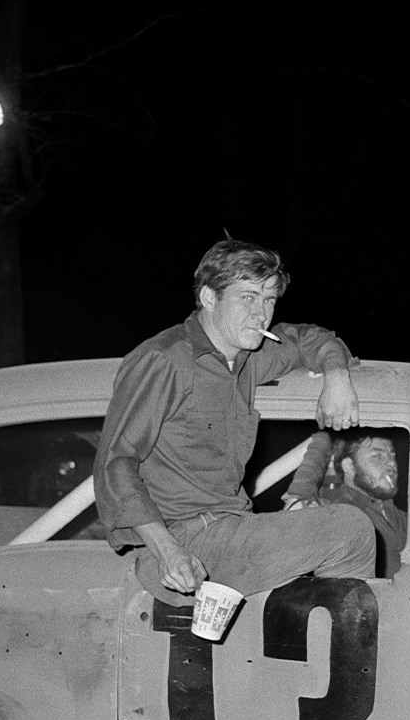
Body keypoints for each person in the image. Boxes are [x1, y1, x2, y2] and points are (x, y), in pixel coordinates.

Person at [93, 239, 376, 599]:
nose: (262, 314)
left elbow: (309, 337)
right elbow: (114, 464)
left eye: (269, 299)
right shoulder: (165, 360)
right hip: (182, 542)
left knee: (330, 534)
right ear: (210, 298)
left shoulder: (248, 357)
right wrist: (167, 550)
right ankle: (336, 651)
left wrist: (336, 377)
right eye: (248, 297)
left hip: (230, 531)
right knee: (351, 528)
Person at [283, 430, 408, 578]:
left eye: (392, 455)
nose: (391, 464)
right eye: (377, 456)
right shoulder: (339, 511)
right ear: (349, 466)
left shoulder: (404, 518)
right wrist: (324, 439)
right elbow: (296, 508)